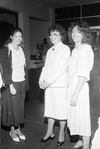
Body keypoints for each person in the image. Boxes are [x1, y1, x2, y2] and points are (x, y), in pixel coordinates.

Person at [38, 24, 70, 146]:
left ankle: (61, 133)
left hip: (60, 86)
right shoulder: (50, 50)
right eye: (51, 34)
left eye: (55, 34)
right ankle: (49, 132)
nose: (52, 36)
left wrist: (48, 82)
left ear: (61, 35)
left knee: (61, 111)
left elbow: (61, 68)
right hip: (49, 86)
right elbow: (46, 67)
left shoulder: (65, 49)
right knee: (50, 110)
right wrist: (41, 80)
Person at [67, 21, 94, 149]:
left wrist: (75, 93)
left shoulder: (86, 49)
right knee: (76, 117)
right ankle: (80, 140)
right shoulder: (75, 50)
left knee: (82, 118)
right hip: (73, 86)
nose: (75, 34)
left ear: (84, 34)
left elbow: (83, 74)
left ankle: (86, 146)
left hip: (80, 88)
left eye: (78, 31)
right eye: (73, 31)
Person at [0, 27, 26, 142]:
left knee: (20, 107)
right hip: (12, 82)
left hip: (22, 81)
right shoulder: (6, 49)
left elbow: (24, 67)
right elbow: (4, 68)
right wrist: (10, 85)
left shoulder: (21, 49)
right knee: (11, 107)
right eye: (16, 36)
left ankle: (18, 128)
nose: (18, 39)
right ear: (11, 37)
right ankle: (11, 130)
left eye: (20, 36)